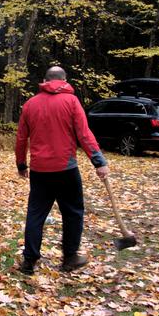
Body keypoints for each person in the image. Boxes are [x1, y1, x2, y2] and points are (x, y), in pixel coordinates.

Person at [15, 66, 109, 274]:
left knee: (36, 214)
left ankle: (29, 261)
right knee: (73, 212)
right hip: (66, 169)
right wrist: (98, 161)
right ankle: (70, 258)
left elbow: (21, 138)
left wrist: (21, 164)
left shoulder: (30, 104)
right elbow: (84, 134)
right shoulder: (72, 102)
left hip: (40, 171)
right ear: (64, 80)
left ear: (44, 80)